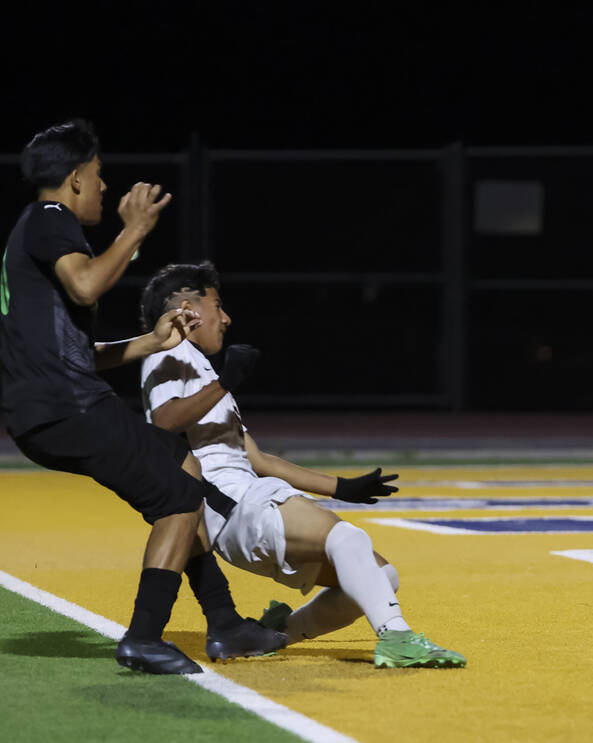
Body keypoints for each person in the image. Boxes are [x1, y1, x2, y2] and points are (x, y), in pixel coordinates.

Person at [0, 119, 287, 674]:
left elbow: (77, 352)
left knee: (183, 465)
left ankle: (224, 620)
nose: (106, 189)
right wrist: (134, 230)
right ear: (77, 177)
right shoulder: (49, 219)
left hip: (54, 407)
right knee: (178, 499)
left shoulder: (34, 232)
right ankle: (144, 637)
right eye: (100, 176)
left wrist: (151, 342)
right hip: (69, 409)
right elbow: (87, 284)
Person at [138, 261, 467, 668]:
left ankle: (274, 632)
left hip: (246, 502)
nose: (226, 317)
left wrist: (340, 487)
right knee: (349, 541)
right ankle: (396, 637)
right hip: (233, 505)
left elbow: (256, 458)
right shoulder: (170, 351)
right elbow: (163, 422)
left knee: (381, 577)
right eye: (217, 305)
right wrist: (224, 383)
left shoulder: (197, 365)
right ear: (187, 307)